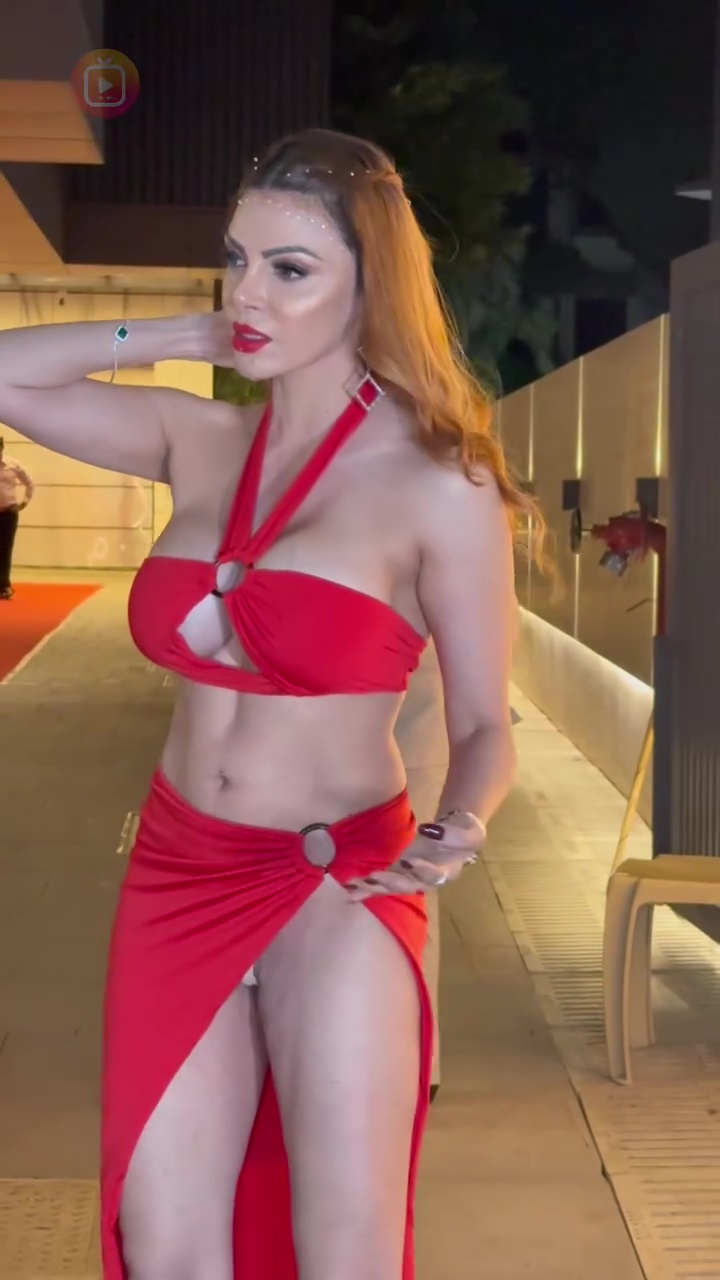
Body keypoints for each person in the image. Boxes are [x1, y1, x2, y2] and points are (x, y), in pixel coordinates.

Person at [0, 129, 526, 1280]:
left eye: (291, 269)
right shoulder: (200, 436)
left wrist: (462, 821)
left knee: (343, 1249)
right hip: (179, 863)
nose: (251, 292)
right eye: (237, 260)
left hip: (339, 874)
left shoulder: (442, 482)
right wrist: (180, 335)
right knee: (166, 1245)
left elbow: (488, 720)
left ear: (368, 285)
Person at [0, 436, 33, 599]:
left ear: (2, 447)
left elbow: (29, 483)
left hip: (9, 513)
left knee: (5, 549)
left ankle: (4, 586)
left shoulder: (13, 465)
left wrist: (24, 502)